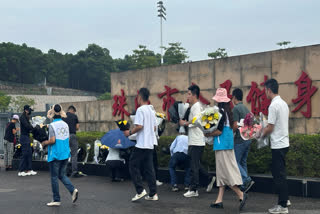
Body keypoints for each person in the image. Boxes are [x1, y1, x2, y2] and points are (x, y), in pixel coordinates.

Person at [205, 88, 247, 211]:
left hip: (221, 145)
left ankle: (241, 194)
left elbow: (218, 131)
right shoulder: (228, 112)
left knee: (224, 173)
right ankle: (219, 200)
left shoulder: (219, 113)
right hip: (228, 144)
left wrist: (208, 134)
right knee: (221, 173)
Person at [179, 85, 216, 198]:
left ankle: (194, 189)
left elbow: (195, 121)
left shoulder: (196, 106)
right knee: (195, 164)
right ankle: (209, 178)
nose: (187, 96)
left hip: (196, 140)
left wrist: (184, 123)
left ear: (194, 95)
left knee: (193, 165)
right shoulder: (196, 106)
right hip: (195, 140)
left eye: (189, 94)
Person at [125, 88, 158, 202]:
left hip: (142, 144)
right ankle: (153, 193)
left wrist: (129, 132)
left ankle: (140, 190)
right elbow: (154, 127)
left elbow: (139, 126)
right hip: (150, 144)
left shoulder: (140, 110)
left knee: (132, 165)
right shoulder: (151, 110)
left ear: (139, 97)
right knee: (149, 169)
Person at [41, 104, 79, 207]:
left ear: (53, 113)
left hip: (55, 154)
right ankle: (72, 190)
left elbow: (52, 141)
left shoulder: (52, 125)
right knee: (62, 175)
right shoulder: (65, 124)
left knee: (54, 177)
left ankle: (56, 199)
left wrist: (44, 143)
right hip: (65, 154)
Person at [262, 79, 290, 214]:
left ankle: (282, 206)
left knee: (279, 175)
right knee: (279, 172)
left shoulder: (273, 106)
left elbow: (270, 127)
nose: (265, 93)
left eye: (265, 90)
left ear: (268, 90)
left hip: (278, 145)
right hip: (284, 143)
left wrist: (259, 134)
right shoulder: (283, 103)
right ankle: (286, 199)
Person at [231, 88, 255, 193]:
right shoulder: (246, 108)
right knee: (243, 161)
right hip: (248, 138)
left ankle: (246, 180)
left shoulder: (236, 109)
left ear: (234, 97)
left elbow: (235, 125)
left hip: (239, 139)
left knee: (235, 162)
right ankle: (245, 185)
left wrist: (230, 131)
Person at [62, 105, 81, 177]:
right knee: (74, 154)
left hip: (64, 137)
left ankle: (65, 171)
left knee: (65, 154)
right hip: (72, 135)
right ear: (73, 110)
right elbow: (77, 127)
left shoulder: (63, 117)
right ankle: (74, 171)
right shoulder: (74, 116)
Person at [18, 105, 37, 177]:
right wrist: (33, 127)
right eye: (29, 110)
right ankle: (21, 170)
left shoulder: (26, 117)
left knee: (29, 153)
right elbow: (27, 126)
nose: (30, 112)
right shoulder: (22, 117)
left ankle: (29, 169)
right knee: (25, 153)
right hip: (24, 137)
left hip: (27, 136)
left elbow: (29, 126)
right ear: (26, 110)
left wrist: (33, 127)